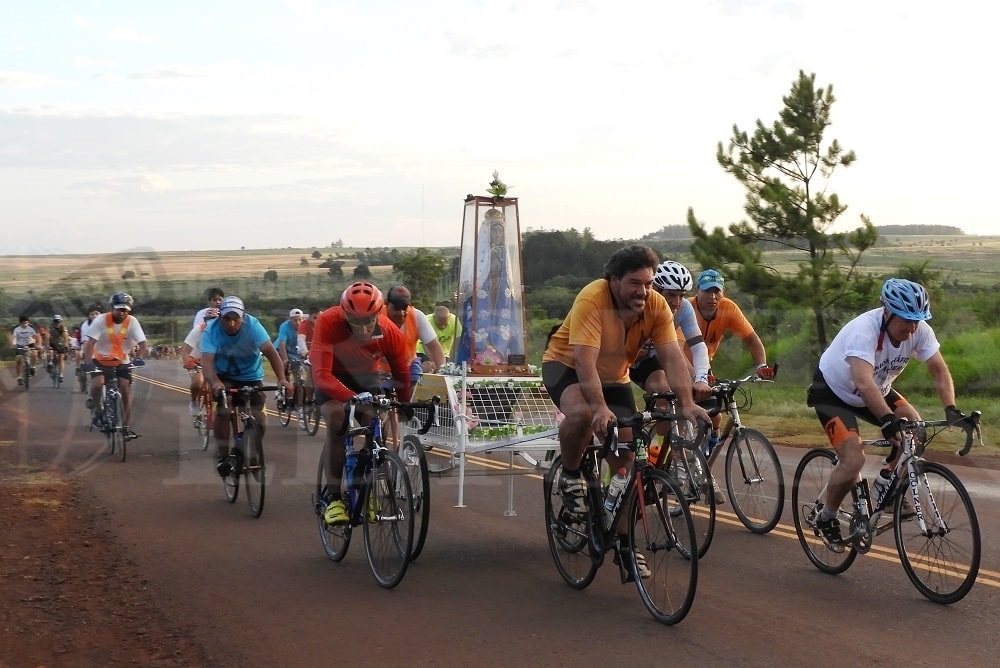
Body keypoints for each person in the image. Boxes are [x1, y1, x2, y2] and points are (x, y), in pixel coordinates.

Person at [542, 245, 711, 579]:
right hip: (567, 367)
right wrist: (600, 408)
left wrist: (688, 402)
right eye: (635, 283)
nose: (643, 291)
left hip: (615, 376)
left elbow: (672, 358)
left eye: (648, 283)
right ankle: (572, 476)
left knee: (627, 466)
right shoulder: (593, 299)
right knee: (582, 415)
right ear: (614, 280)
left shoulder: (657, 305)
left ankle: (623, 544)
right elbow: (584, 362)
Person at [805, 278, 968, 551]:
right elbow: (862, 383)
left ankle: (884, 488)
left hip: (876, 388)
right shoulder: (863, 331)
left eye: (918, 320)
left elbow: (939, 369)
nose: (913, 327)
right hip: (833, 393)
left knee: (915, 430)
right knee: (853, 457)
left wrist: (950, 408)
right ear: (888, 312)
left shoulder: (919, 330)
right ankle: (827, 517)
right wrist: (887, 420)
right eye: (906, 319)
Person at [309, 282, 412, 526]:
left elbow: (402, 373)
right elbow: (321, 374)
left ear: (380, 314)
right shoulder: (327, 322)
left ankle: (364, 485)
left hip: (367, 378)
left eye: (369, 321)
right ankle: (334, 499)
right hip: (333, 376)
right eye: (355, 322)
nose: (364, 329)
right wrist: (348, 397)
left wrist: (405, 405)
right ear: (344, 314)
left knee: (375, 426)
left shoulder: (389, 332)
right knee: (337, 421)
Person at [200, 296, 292, 477]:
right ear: (220, 317)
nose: (232, 323)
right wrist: (215, 382)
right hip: (224, 376)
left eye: (236, 318)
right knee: (224, 410)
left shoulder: (253, 326)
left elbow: (272, 354)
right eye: (227, 318)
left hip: (251, 376)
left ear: (243, 316)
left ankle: (251, 452)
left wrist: (281, 379)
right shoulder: (211, 331)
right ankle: (224, 456)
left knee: (260, 419)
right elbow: (207, 363)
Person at [81, 293, 149, 439]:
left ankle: (126, 427)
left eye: (125, 310)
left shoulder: (132, 322)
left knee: (125, 389)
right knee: (97, 385)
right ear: (112, 308)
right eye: (119, 309)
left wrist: (139, 358)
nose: (122, 313)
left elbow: (143, 344)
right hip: (99, 358)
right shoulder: (100, 320)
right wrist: (88, 363)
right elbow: (90, 343)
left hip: (121, 361)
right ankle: (98, 412)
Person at [380, 285, 445, 383]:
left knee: (417, 390)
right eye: (396, 308)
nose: (401, 313)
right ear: (386, 303)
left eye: (404, 308)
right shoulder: (376, 316)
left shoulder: (417, 316)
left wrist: (442, 373)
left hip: (409, 368)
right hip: (381, 371)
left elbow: (435, 348)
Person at [418, 304, 461, 368]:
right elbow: (425, 345)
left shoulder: (454, 320)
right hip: (424, 351)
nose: (442, 327)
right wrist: (434, 361)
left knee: (444, 369)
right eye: (439, 324)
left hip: (444, 353)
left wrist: (454, 358)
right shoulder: (427, 321)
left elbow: (459, 340)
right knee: (428, 367)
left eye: (445, 324)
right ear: (434, 317)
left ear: (449, 317)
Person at [11, 315, 39, 385]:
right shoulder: (16, 329)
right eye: (23, 323)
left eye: (27, 323)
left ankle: (33, 367)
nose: (25, 325)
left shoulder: (32, 328)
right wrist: (13, 345)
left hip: (30, 343)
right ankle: (19, 377)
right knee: (18, 360)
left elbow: (38, 337)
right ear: (20, 323)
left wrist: (38, 344)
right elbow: (13, 338)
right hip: (20, 344)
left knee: (34, 354)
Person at [275, 307, 305, 372]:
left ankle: (298, 381)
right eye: (295, 320)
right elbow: (282, 344)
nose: (298, 323)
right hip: (281, 349)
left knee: (298, 369)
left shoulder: (305, 325)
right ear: (290, 319)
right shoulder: (284, 326)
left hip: (294, 350)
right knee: (285, 369)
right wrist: (285, 359)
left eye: (300, 320)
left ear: (303, 319)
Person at [47, 315, 70, 382]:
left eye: (59, 321)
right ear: (53, 322)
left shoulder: (63, 328)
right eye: (55, 321)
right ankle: (50, 363)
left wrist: (66, 346)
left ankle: (61, 375)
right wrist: (47, 345)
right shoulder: (50, 327)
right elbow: (47, 337)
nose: (57, 323)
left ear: (61, 322)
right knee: (49, 353)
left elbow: (66, 337)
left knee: (61, 359)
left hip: (60, 344)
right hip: (52, 343)